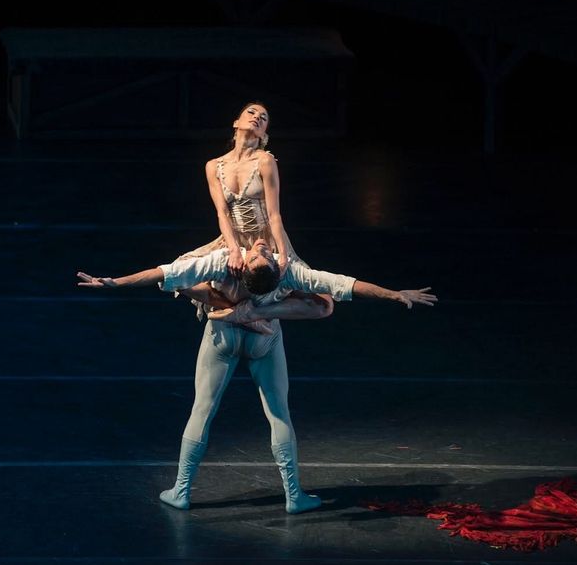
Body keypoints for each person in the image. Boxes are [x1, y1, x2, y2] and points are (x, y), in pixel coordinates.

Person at [77, 240, 436, 514]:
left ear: (247, 265)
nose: (261, 245)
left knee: (203, 409)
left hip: (223, 336)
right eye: (261, 251)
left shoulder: (227, 260)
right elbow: (344, 285)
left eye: (261, 252)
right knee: (278, 412)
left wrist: (114, 283)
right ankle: (293, 495)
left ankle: (181, 491)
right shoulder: (286, 270)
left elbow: (164, 273)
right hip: (265, 337)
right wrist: (393, 294)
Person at [176, 102, 334, 325]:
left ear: (264, 133)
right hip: (233, 239)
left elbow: (274, 214)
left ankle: (256, 313)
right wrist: (233, 250)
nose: (257, 117)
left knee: (324, 304)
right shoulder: (213, 166)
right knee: (178, 274)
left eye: (264, 117)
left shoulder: (265, 160)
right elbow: (222, 213)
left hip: (267, 240)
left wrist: (283, 255)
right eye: (251, 112)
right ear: (236, 122)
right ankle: (236, 311)